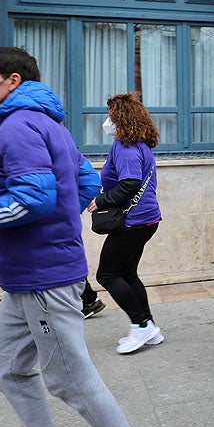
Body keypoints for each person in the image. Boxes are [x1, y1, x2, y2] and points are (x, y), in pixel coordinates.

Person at [0, 47, 154, 427]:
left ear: (13, 80)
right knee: (4, 369)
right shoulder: (48, 124)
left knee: (70, 380)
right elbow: (88, 186)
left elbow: (32, 200)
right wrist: (55, 224)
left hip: (44, 277)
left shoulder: (19, 126)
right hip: (29, 275)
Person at [87, 92, 164, 355]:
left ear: (120, 117)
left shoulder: (126, 147)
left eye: (110, 115)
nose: (107, 121)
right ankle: (150, 326)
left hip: (134, 221)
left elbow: (129, 183)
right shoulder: (139, 144)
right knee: (128, 273)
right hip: (145, 219)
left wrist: (102, 200)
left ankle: (140, 325)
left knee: (107, 274)